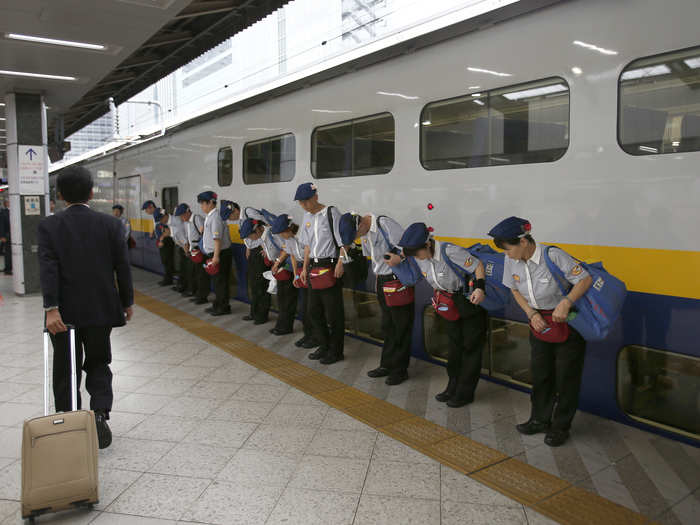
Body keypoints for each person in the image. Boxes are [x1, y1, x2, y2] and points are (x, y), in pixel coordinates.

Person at [38, 166, 133, 450]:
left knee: (65, 366)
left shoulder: (48, 226)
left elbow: (48, 270)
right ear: (92, 193)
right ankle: (100, 412)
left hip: (63, 314)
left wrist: (51, 308)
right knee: (98, 361)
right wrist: (126, 301)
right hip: (101, 309)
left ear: (59, 195)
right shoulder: (111, 224)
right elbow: (122, 267)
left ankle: (70, 420)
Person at [488, 216, 593, 447]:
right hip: (539, 323)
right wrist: (531, 314)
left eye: (508, 249)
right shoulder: (511, 261)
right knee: (541, 373)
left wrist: (566, 302)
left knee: (566, 377)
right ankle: (539, 419)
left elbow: (584, 279)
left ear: (523, 242)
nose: (507, 254)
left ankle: (561, 426)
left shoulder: (552, 256)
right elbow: (514, 289)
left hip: (567, 323)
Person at [386, 223, 487, 408]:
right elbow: (410, 263)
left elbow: (477, 265)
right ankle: (452, 385)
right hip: (446, 302)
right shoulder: (417, 255)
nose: (417, 258)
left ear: (427, 245)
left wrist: (480, 288)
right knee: (454, 346)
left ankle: (465, 392)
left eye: (418, 253)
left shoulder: (449, 251)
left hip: (467, 300)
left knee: (470, 347)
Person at [340, 212, 413, 385]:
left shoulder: (385, 224)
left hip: (397, 280)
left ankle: (400, 370)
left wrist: (400, 257)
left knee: (401, 326)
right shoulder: (365, 233)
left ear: (361, 224)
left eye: (357, 234)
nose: (358, 238)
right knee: (387, 325)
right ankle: (387, 364)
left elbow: (409, 246)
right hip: (382, 280)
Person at [295, 182, 347, 365]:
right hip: (313, 268)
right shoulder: (307, 216)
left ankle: (336, 351)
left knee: (334, 314)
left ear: (315, 197)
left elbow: (343, 242)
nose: (303, 205)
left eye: (306, 201)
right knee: (313, 311)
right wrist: (304, 267)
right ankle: (324, 345)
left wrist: (341, 263)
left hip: (330, 265)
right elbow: (308, 245)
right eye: (301, 202)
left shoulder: (332, 213)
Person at [270, 214, 317, 348]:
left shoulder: (303, 235)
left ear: (288, 229)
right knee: (304, 307)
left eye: (281, 233)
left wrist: (305, 270)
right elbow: (292, 257)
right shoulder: (289, 239)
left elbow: (308, 252)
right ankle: (307, 335)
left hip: (310, 268)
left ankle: (315, 336)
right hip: (301, 271)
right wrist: (296, 274)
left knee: (311, 307)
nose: (281, 237)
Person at [198, 191, 232, 316]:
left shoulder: (215, 217)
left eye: (202, 204)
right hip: (215, 253)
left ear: (210, 203)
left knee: (220, 282)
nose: (201, 206)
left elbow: (217, 239)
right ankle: (218, 304)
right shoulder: (210, 216)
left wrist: (215, 257)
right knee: (217, 282)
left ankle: (223, 307)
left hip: (220, 254)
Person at [238, 218, 272, 325]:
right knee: (253, 286)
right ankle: (253, 312)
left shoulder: (269, 233)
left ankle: (262, 315)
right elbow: (248, 240)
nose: (249, 238)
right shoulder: (251, 233)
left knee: (262, 287)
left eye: (250, 236)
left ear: (257, 230)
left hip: (263, 259)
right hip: (254, 255)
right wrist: (248, 248)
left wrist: (267, 251)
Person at [168, 207, 191, 295]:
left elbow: (185, 239)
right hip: (180, 247)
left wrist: (186, 251)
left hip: (185, 248)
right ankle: (181, 285)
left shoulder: (181, 223)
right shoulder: (175, 223)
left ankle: (186, 287)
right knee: (182, 268)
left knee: (187, 269)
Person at [0, 198, 11, 275]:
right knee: (8, 252)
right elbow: (2, 225)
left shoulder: (15, 211)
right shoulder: (3, 212)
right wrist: (2, 236)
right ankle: (8, 269)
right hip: (7, 235)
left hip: (14, 234)